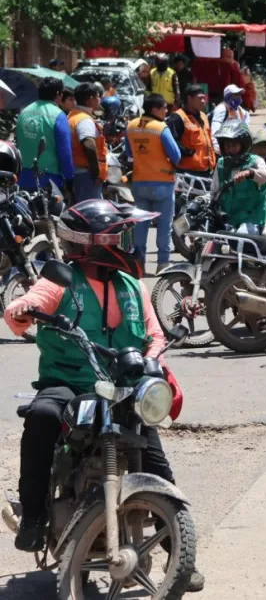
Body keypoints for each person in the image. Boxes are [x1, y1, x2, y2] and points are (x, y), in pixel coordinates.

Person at [2, 199, 206, 591]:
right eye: (120, 235)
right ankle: (32, 516)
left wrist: (153, 358)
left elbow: (155, 334)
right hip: (68, 382)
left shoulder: (132, 285)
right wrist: (25, 307)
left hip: (120, 388)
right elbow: (19, 310)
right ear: (94, 242)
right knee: (42, 417)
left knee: (154, 455)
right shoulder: (60, 280)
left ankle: (179, 552)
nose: (127, 241)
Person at [126, 94, 182, 274]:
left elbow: (129, 152)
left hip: (139, 182)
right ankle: (162, 264)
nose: (167, 111)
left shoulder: (131, 126)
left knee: (141, 224)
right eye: (164, 108)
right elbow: (176, 155)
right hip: (163, 183)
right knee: (164, 226)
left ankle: (139, 263)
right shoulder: (161, 128)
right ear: (154, 109)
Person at [15, 76, 74, 194]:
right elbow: (64, 150)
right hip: (49, 179)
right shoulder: (58, 115)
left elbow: (18, 142)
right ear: (58, 94)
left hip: (23, 176)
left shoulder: (24, 112)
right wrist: (70, 178)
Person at [211, 120, 266, 234]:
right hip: (228, 221)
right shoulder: (221, 163)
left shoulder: (256, 161)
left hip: (252, 222)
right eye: (227, 145)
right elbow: (214, 191)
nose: (229, 149)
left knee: (241, 235)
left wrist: (250, 173)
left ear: (243, 144)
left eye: (234, 145)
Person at [67, 82, 107, 202]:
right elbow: (88, 144)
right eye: (98, 96)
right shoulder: (84, 120)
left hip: (76, 170)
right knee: (91, 214)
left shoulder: (72, 116)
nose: (99, 99)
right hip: (86, 174)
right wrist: (96, 172)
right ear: (90, 100)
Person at [166, 84, 217, 175]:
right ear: (189, 99)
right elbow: (170, 142)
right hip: (187, 171)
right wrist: (188, 152)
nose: (203, 101)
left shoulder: (203, 116)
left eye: (204, 98)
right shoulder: (178, 118)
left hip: (207, 169)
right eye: (200, 98)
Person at [209, 84, 250, 154]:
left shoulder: (242, 111)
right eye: (236, 94)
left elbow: (246, 128)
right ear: (228, 97)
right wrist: (216, 145)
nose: (239, 97)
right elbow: (215, 128)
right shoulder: (221, 109)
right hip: (225, 147)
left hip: (238, 146)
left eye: (239, 94)